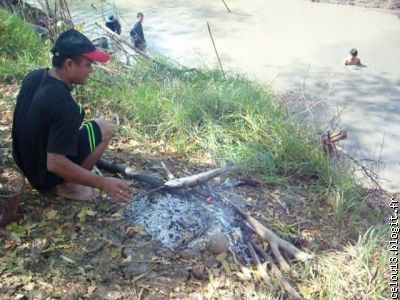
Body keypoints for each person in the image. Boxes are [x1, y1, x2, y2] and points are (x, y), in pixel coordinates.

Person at [12, 29, 133, 203]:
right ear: (69, 64)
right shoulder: (63, 104)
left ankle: (62, 179)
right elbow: (54, 162)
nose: (90, 70)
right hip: (45, 177)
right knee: (103, 128)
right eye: (88, 64)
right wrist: (103, 182)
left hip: (26, 164)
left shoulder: (35, 77)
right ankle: (68, 185)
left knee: (76, 119)